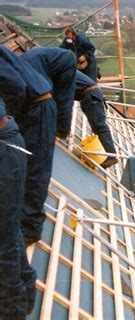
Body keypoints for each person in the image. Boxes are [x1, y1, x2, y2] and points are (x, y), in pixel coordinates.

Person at [0, 45, 76, 248]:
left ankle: (30, 229)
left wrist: (10, 116)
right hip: (32, 105)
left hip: (36, 108)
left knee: (35, 168)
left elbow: (15, 86)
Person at [0, 64, 37, 318]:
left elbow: (16, 86)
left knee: (2, 238)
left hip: (4, 146)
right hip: (8, 138)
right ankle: (25, 292)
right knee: (9, 230)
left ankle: (13, 311)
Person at [75, 70, 118, 168]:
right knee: (97, 126)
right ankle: (110, 155)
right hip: (90, 95)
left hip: (91, 96)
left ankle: (111, 156)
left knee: (100, 127)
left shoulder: (62, 72)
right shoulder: (65, 68)